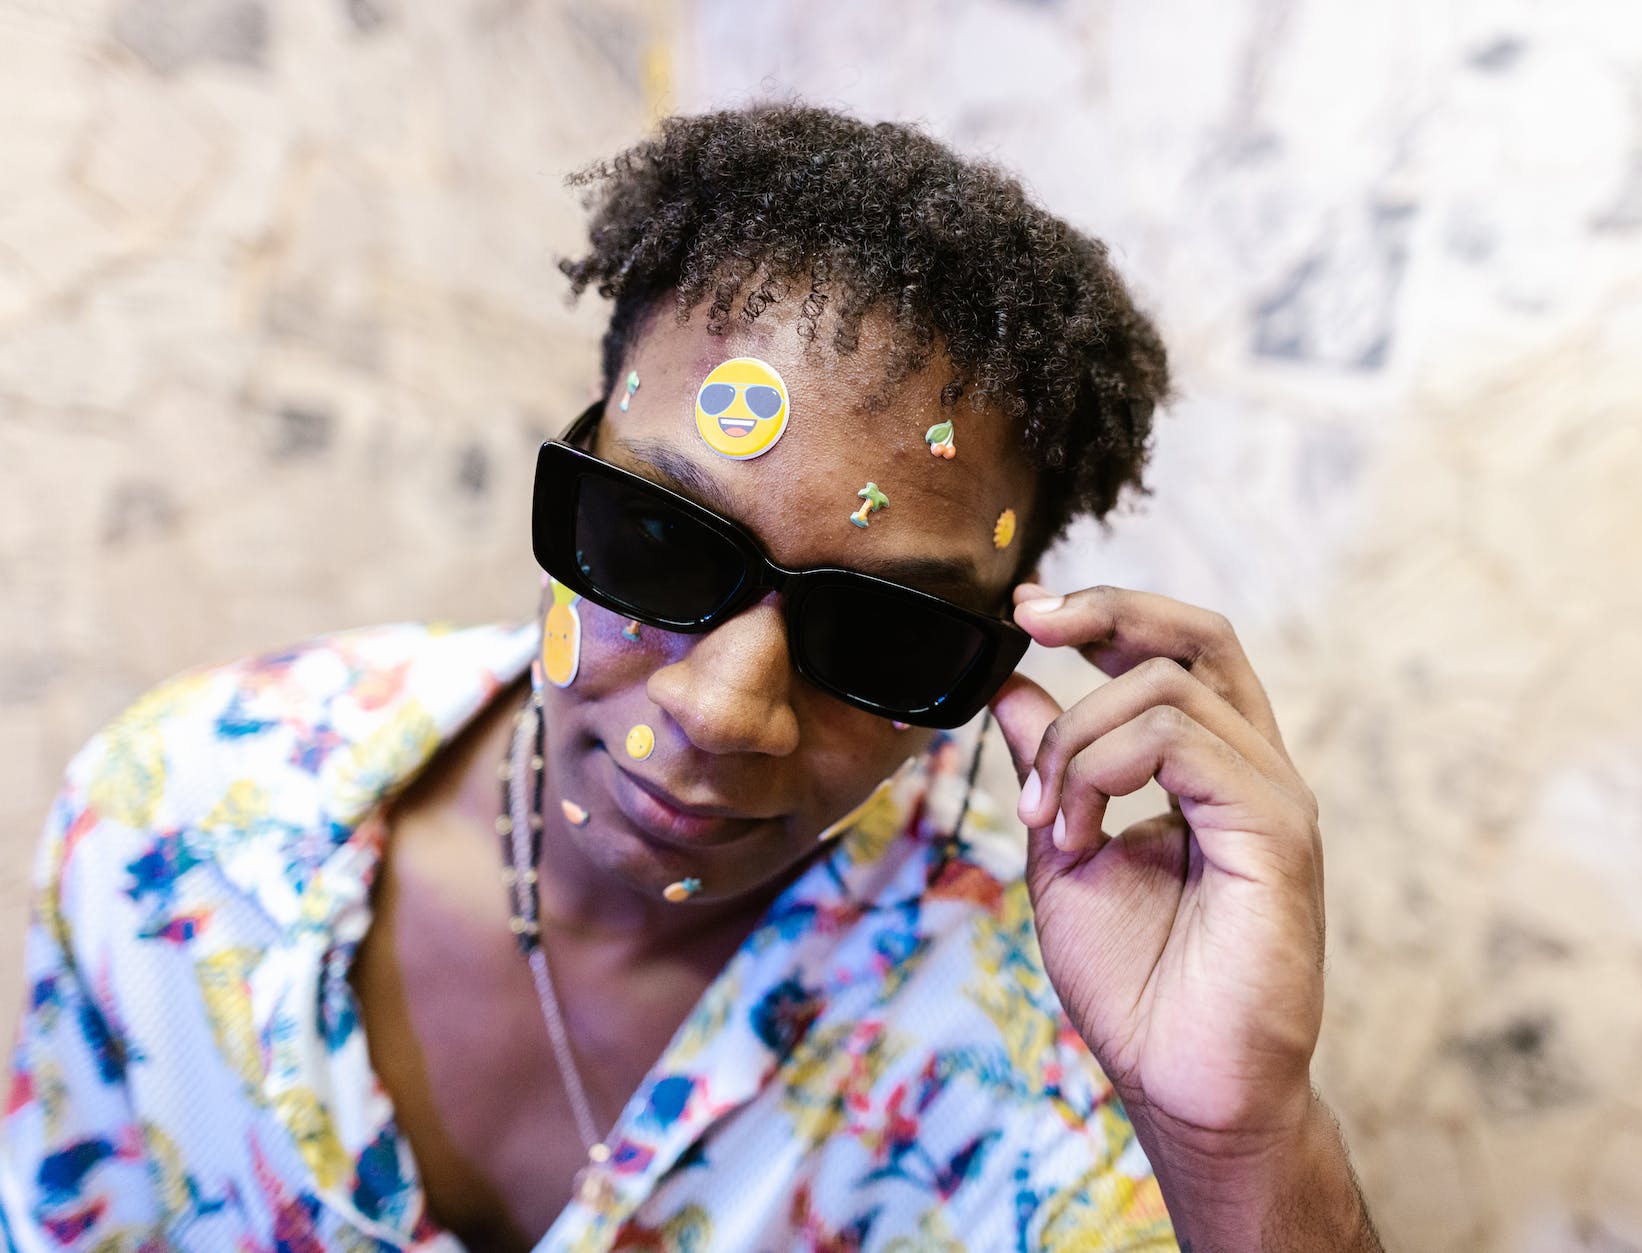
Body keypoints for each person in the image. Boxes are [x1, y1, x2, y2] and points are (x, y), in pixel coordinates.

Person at [1, 106, 1382, 1252]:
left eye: (885, 638)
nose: (725, 709)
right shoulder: (176, 812)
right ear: (582, 463)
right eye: (658, 545)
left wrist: (1240, 1140)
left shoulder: (1053, 1046)